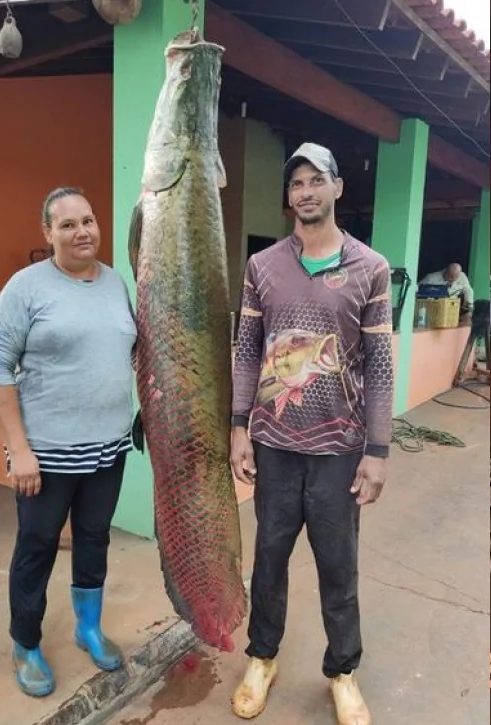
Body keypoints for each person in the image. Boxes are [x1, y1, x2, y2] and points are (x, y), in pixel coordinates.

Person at [230, 143, 393, 725]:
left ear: (337, 188)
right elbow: (246, 351)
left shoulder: (370, 269)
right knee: (268, 560)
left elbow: (380, 366)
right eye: (296, 182)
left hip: (339, 454)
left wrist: (377, 450)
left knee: (337, 566)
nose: (305, 191)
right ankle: (262, 657)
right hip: (274, 446)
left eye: (315, 180)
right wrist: (237, 427)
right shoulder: (262, 267)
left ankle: (343, 672)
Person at [0, 187, 137, 698]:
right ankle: (25, 643)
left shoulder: (115, 283)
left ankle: (87, 627)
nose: (82, 231)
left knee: (94, 539)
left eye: (87, 221)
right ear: (47, 234)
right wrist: (19, 450)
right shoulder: (25, 288)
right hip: (45, 454)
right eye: (67, 225)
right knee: (37, 547)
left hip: (108, 449)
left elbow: (126, 352)